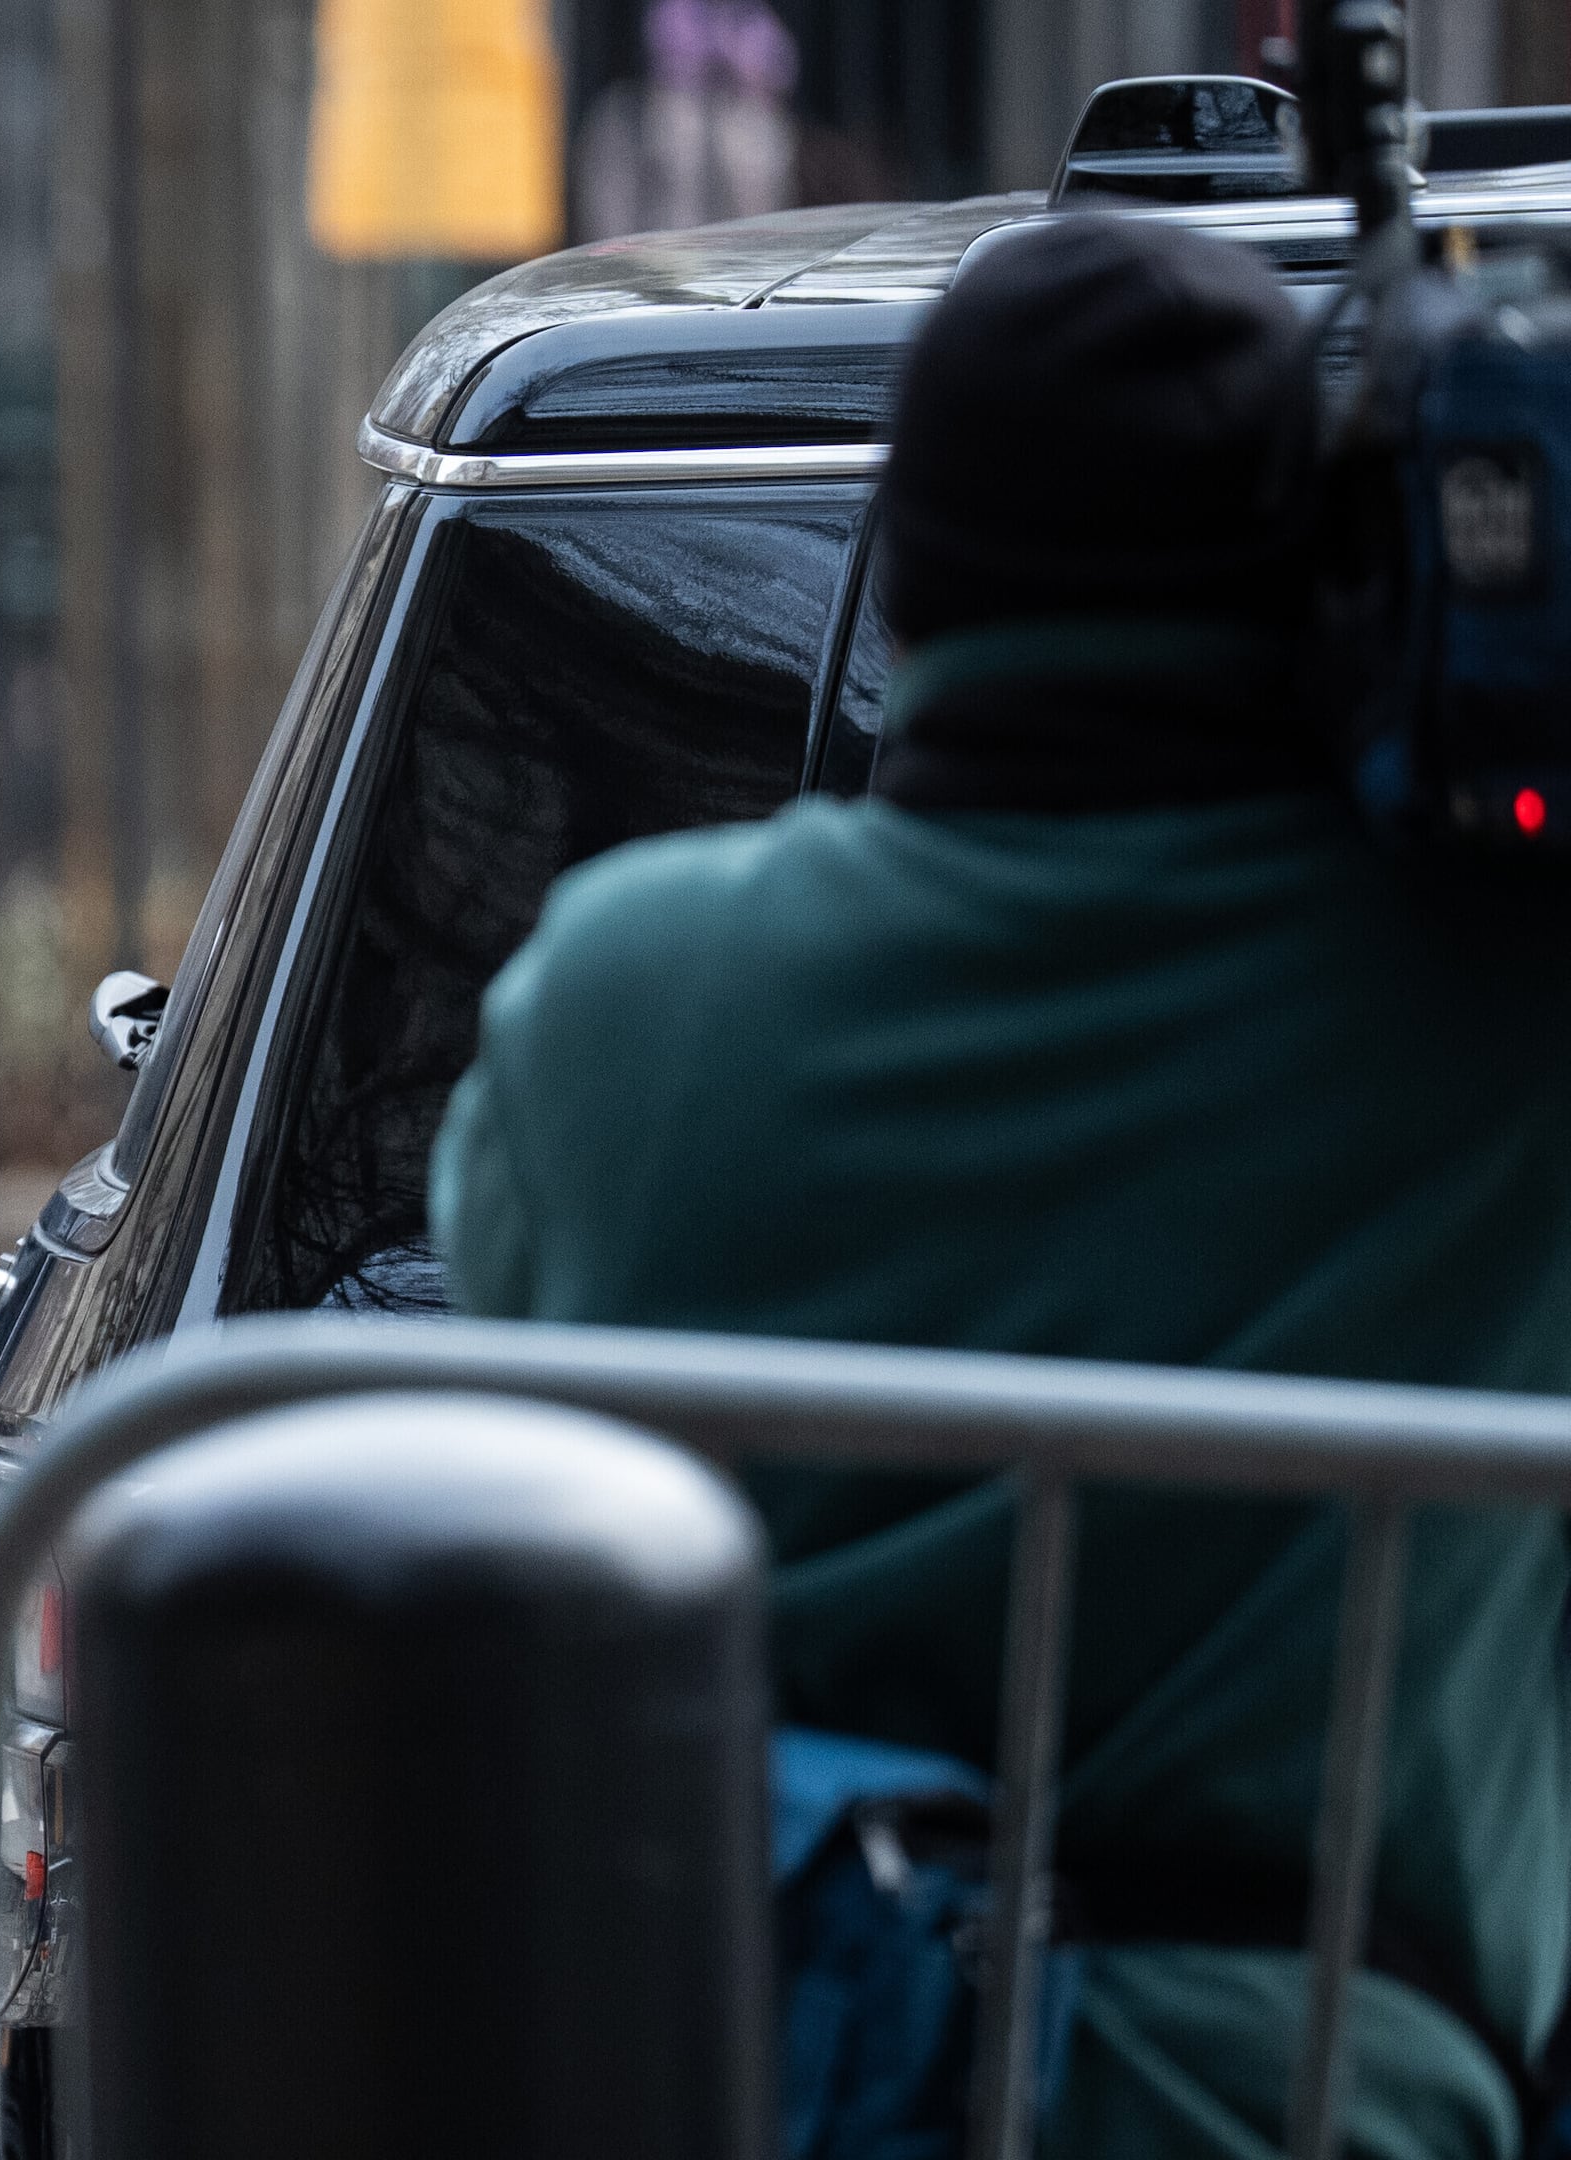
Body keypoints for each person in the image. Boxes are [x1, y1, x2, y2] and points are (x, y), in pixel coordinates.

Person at [432, 216, 1571, 2160]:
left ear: (914, 576)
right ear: (1321, 575)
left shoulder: (617, 1003)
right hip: (1323, 2105)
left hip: (758, 2072)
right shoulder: (1506, 1010)